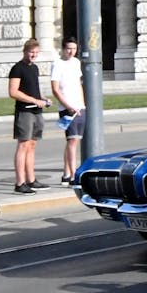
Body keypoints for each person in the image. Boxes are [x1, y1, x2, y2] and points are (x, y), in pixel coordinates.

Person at [6, 38, 51, 193]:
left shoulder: (35, 68)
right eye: (31, 52)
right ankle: (20, 183)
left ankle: (31, 180)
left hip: (37, 111)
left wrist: (43, 98)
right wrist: (34, 100)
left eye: (36, 52)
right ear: (25, 51)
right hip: (25, 111)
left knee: (32, 145)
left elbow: (33, 89)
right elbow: (13, 92)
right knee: (23, 145)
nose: (34, 55)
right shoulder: (17, 68)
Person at [49, 36, 86, 183]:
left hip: (79, 106)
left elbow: (78, 84)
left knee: (74, 141)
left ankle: (66, 174)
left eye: (74, 49)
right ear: (63, 49)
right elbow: (55, 89)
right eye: (69, 48)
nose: (71, 52)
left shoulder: (76, 63)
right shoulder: (57, 64)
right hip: (67, 107)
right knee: (72, 141)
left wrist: (82, 104)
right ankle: (73, 174)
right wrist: (68, 106)